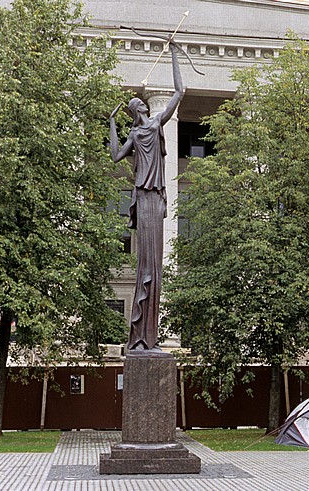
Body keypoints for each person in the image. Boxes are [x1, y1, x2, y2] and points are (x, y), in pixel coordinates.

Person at [109, 42, 184, 352]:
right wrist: (112, 124)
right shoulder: (136, 134)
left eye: (138, 106)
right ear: (135, 113)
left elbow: (179, 93)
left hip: (155, 197)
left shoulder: (155, 125)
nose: (140, 108)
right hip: (143, 198)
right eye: (136, 107)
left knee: (154, 265)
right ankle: (141, 338)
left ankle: (148, 337)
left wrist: (174, 55)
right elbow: (115, 156)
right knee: (147, 266)